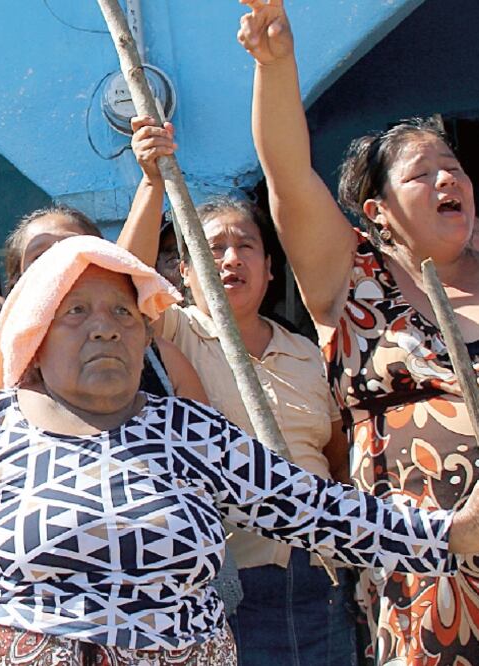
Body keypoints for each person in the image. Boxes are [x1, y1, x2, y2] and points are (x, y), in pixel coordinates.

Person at [0, 235, 479, 666]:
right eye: (76, 312)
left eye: (123, 310)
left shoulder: (192, 430)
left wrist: (451, 535)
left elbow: (317, 510)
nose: (104, 327)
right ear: (34, 337)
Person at [239, 2, 479, 662]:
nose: (447, 178)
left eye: (452, 167)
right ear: (376, 211)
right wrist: (275, 65)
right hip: (431, 577)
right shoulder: (351, 283)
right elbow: (287, 175)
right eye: (421, 173)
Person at [120, 118, 356, 664]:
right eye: (214, 248)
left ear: (270, 269)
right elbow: (124, 282)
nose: (231, 259)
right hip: (234, 586)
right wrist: (152, 182)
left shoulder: (306, 353)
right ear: (184, 272)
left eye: (245, 246)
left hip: (325, 578)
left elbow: (339, 460)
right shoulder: (175, 332)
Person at [0, 192, 209, 403]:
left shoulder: (160, 360)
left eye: (76, 252)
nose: (62, 265)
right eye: (41, 256)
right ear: (18, 287)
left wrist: (152, 179)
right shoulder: (7, 370)